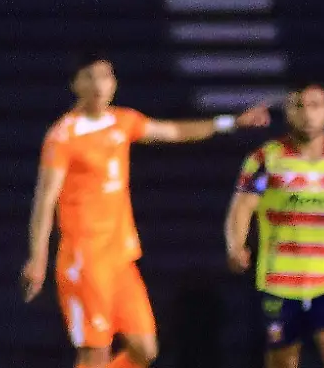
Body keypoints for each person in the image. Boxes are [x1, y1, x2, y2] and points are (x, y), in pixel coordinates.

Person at [21, 55, 271, 367]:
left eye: (105, 76)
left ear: (113, 83)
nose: (99, 85)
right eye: (89, 77)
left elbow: (174, 131)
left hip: (121, 259)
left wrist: (229, 122)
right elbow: (45, 200)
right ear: (75, 85)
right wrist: (38, 258)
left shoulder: (123, 121)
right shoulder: (63, 137)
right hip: (85, 260)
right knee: (94, 352)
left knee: (145, 349)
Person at [224, 82, 324, 368]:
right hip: (280, 282)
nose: (307, 114)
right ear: (288, 113)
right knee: (283, 362)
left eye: (315, 105)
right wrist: (236, 245)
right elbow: (243, 205)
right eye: (299, 106)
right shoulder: (266, 159)